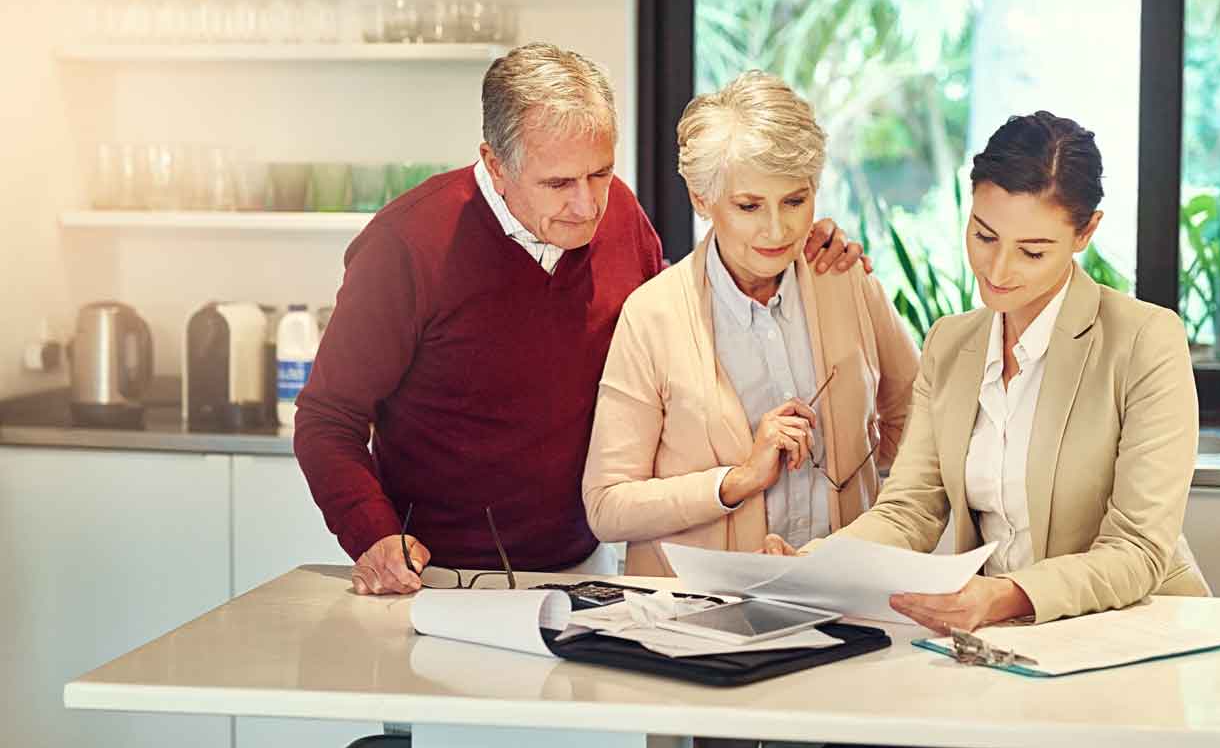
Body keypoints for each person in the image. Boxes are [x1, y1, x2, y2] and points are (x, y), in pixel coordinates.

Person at [763, 111, 1210, 748]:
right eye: (983, 235)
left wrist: (1006, 596)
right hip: (1002, 664)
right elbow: (909, 508)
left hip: (1128, 666)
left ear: (1085, 233)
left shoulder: (1143, 341)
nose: (998, 270)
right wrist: (821, 563)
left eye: (1033, 249)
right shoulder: (954, 342)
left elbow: (1138, 550)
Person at [293, 43, 865, 596]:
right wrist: (373, 535)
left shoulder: (622, 218)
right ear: (495, 165)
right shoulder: (406, 245)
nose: (589, 205)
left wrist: (800, 247)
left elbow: (675, 323)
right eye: (559, 183)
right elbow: (326, 419)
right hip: (439, 572)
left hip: (587, 563)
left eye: (600, 173)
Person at [581, 71, 920, 748]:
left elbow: (914, 415)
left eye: (796, 200)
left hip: (838, 614)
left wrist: (894, 527)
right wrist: (736, 480)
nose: (778, 229)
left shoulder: (844, 280)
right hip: (698, 632)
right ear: (703, 199)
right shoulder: (653, 316)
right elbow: (607, 502)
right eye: (749, 204)